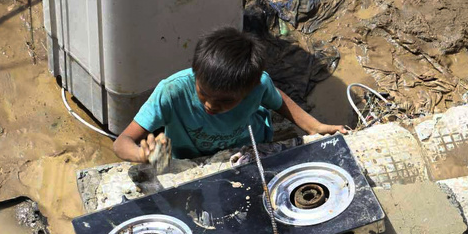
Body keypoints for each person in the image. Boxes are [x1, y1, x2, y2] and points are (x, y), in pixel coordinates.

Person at [113, 27, 346, 163]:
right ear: (195, 73)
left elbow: (278, 97)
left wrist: (314, 126)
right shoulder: (171, 91)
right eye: (203, 94)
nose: (211, 105)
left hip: (247, 151)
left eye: (226, 101)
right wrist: (142, 155)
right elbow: (121, 143)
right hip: (191, 160)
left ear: (250, 89)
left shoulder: (259, 84)